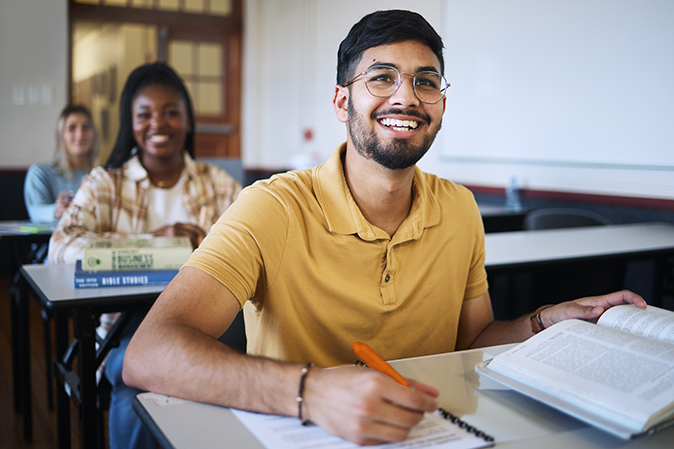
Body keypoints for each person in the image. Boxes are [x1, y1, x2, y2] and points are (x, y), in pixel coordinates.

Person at [123, 10, 646, 446]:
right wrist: (313, 392)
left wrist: (544, 322)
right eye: (381, 77)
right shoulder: (272, 207)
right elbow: (149, 353)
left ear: (441, 103)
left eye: (426, 81)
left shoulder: (460, 209)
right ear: (341, 101)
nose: (407, 97)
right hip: (305, 432)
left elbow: (475, 340)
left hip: (434, 431)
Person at [48, 62, 241, 449]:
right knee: (134, 377)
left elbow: (255, 247)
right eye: (145, 114)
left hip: (207, 324)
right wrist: (154, 244)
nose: (159, 124)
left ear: (187, 121)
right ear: (129, 122)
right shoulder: (105, 183)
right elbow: (60, 246)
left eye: (171, 112)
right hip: (125, 329)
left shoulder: (218, 183)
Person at [24, 104, 98, 222]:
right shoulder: (39, 173)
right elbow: (36, 212)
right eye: (72, 128)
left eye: (86, 127)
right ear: (61, 135)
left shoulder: (102, 176)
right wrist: (56, 210)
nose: (80, 135)